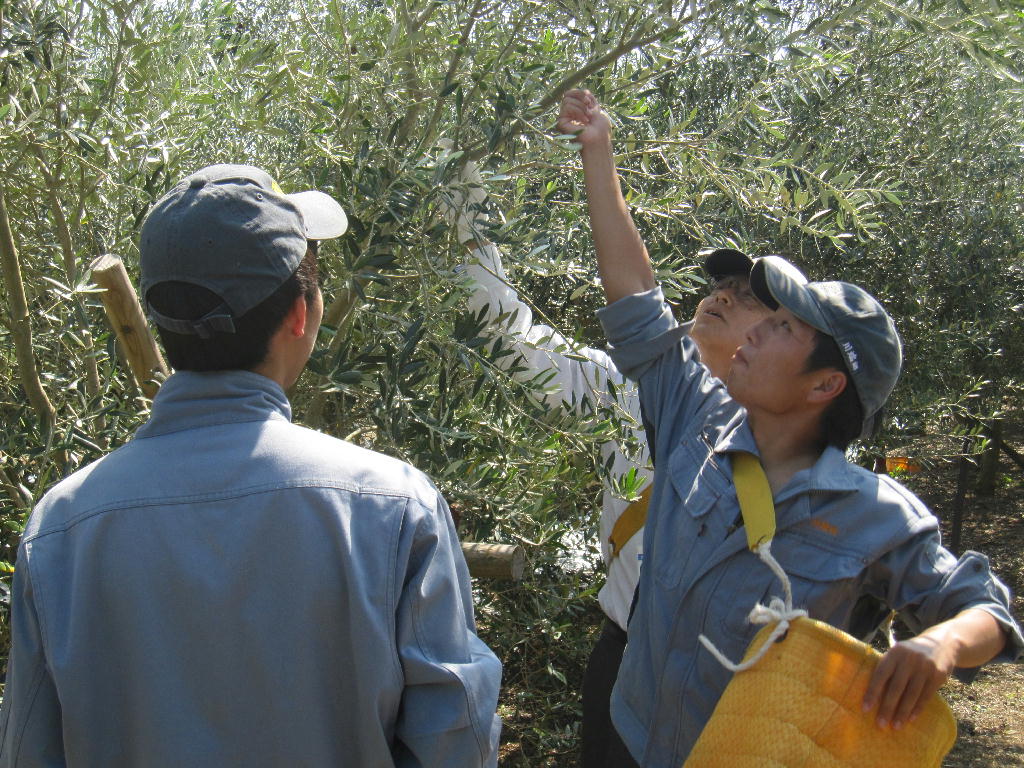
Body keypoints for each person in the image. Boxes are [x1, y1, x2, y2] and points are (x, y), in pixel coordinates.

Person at [558, 89, 1023, 767]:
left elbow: (986, 612)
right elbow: (635, 299)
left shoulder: (872, 514)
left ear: (824, 385)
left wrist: (939, 645)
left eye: (780, 327)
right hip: (628, 737)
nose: (753, 332)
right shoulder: (698, 419)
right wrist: (599, 152)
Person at [0, 164, 502, 767]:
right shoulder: (393, 506)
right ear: (300, 314)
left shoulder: (60, 527)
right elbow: (455, 744)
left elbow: (30, 748)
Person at [438, 150, 801, 766]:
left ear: (782, 335)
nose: (722, 295)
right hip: (623, 657)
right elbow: (508, 340)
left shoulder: (791, 438)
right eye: (721, 285)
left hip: (731, 679)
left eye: (747, 296)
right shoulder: (623, 392)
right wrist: (463, 198)